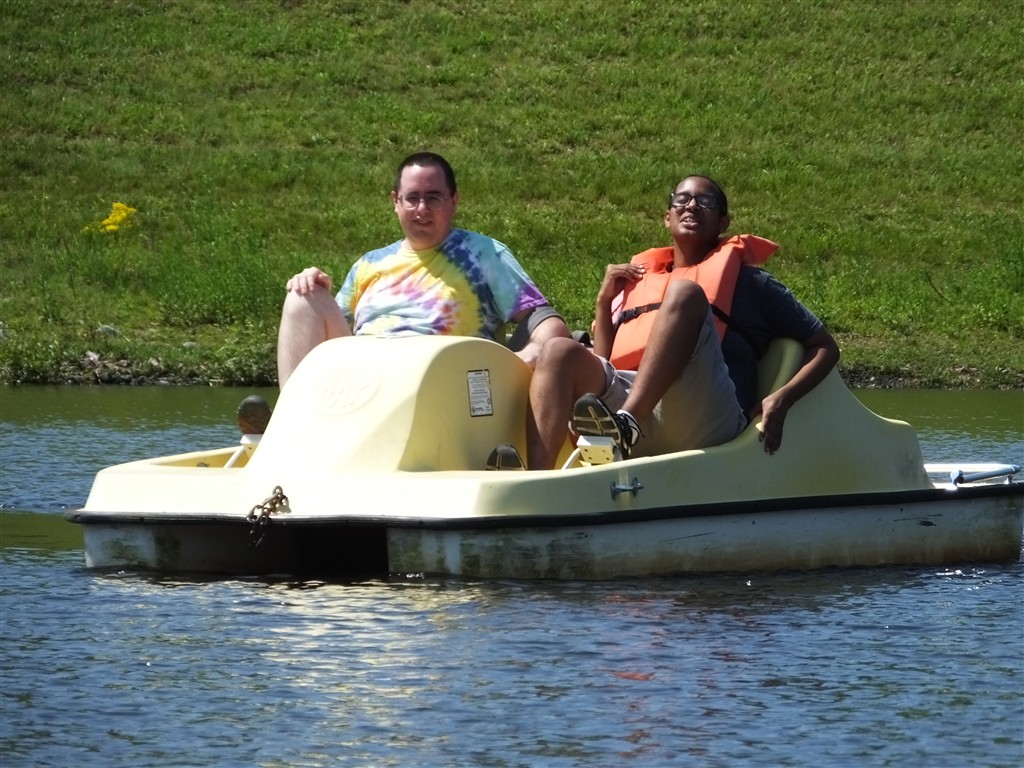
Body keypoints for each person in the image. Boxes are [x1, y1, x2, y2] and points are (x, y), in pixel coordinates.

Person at [493, 174, 839, 470]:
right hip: (632, 410)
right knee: (558, 350)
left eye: (705, 201)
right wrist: (604, 302)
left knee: (684, 294)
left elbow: (825, 347)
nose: (692, 206)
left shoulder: (752, 283)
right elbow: (603, 361)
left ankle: (626, 424)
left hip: (702, 417)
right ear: (667, 218)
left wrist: (781, 398)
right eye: (682, 200)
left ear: (723, 222)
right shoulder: (638, 280)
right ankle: (536, 481)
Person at [237, 152, 570, 434]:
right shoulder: (369, 263)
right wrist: (311, 285)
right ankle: (291, 423)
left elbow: (544, 319)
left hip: (444, 385)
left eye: (433, 198)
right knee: (302, 295)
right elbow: (332, 336)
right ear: (396, 202)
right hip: (366, 382)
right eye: (412, 198)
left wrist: (522, 358)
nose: (421, 209)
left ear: (453, 202)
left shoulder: (484, 254)